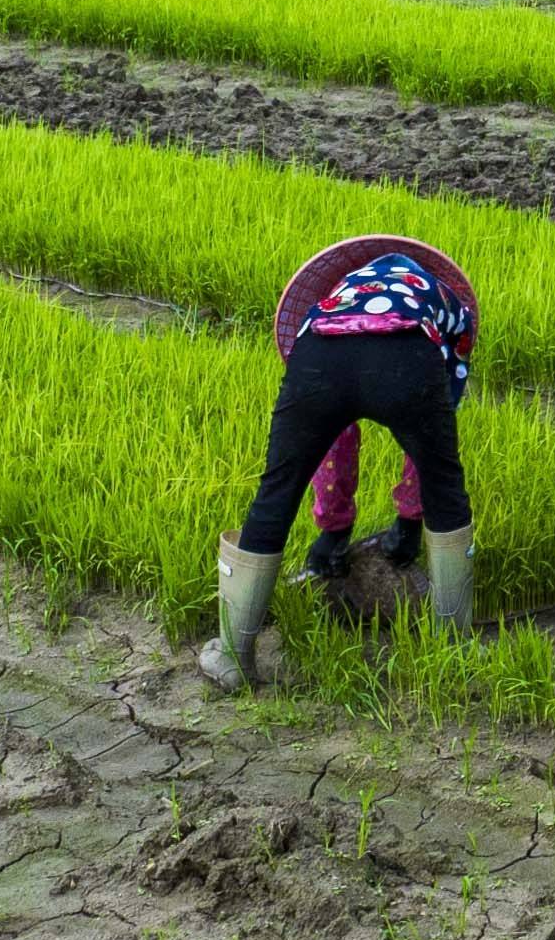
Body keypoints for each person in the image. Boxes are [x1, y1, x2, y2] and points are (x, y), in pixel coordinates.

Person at [204, 233, 480, 689]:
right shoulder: (447, 307)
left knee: (276, 491)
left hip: (320, 358)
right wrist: (410, 523)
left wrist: (333, 531)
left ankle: (234, 656)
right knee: (446, 486)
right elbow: (428, 449)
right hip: (407, 354)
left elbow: (335, 439)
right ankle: (452, 651)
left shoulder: (332, 304)